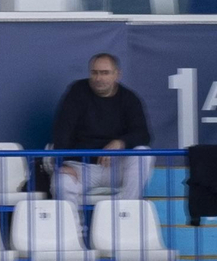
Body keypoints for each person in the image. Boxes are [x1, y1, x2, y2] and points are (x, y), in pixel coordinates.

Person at [50, 53, 153, 206]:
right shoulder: (77, 91)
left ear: (117, 75)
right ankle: (74, 223)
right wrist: (62, 163)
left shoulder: (129, 99)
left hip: (114, 168)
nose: (98, 78)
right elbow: (62, 129)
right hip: (81, 167)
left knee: (143, 153)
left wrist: (121, 142)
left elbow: (143, 134)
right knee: (62, 183)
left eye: (105, 73)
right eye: (94, 73)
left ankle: (125, 213)